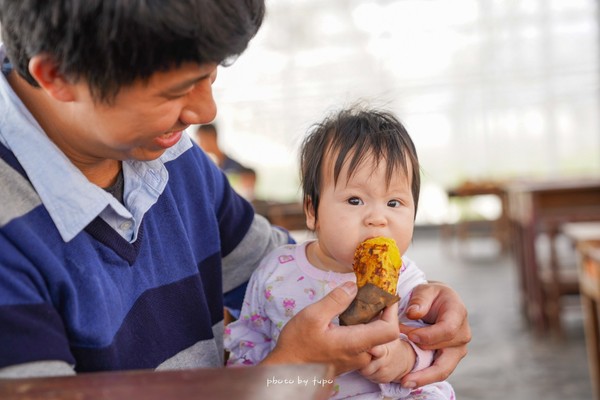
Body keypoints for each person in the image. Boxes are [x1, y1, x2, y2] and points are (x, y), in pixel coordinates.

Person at [0, 0, 469, 385]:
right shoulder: (11, 234)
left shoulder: (173, 161)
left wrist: (423, 303)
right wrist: (286, 378)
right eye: (176, 91)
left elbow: (281, 269)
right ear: (58, 76)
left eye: (210, 77)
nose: (205, 110)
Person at [225, 107, 455, 399]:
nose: (377, 217)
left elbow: (431, 344)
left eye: (394, 203)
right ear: (313, 212)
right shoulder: (277, 271)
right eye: (355, 199)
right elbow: (248, 345)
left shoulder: (408, 279)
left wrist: (405, 358)